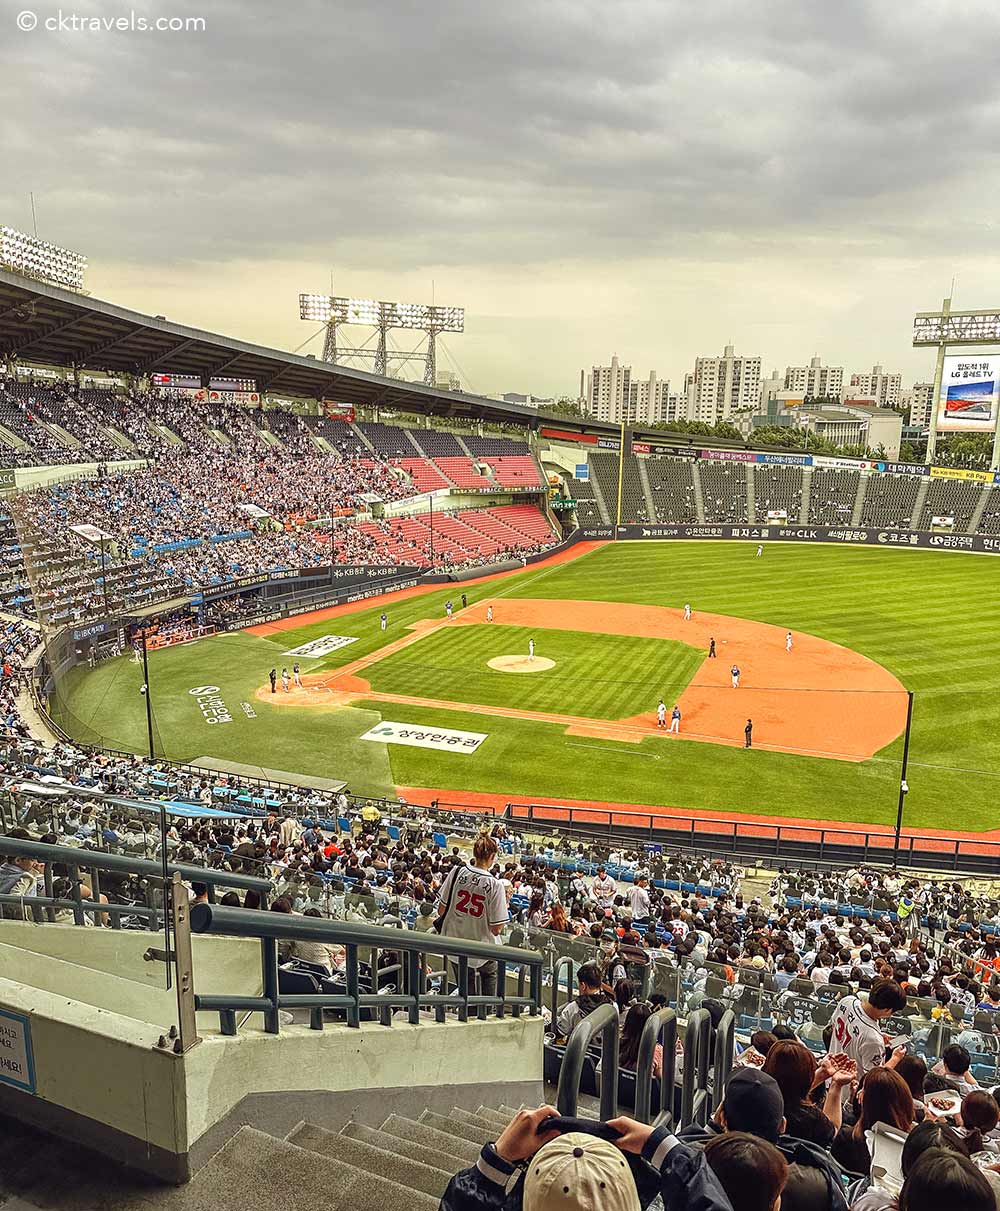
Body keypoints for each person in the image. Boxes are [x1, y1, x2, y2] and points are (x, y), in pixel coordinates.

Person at [435, 832, 508, 999]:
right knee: (489, 984)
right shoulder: (495, 885)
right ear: (492, 856)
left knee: (466, 996)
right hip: (483, 948)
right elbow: (496, 929)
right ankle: (487, 1016)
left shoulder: (456, 872)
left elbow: (441, 910)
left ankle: (467, 1018)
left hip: (456, 943)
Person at [762, 1041, 855, 1147]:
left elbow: (789, 1091)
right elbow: (832, 1130)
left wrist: (823, 1073)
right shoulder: (808, 1118)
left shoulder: (760, 1095)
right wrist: (836, 1085)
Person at [831, 1066, 914, 1176]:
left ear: (865, 1100)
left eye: (863, 1089)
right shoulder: (912, 1149)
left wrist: (836, 1086)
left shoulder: (846, 1140)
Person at [828, 978, 907, 1079]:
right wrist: (895, 1058)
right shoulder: (873, 1039)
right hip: (847, 1088)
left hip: (830, 1072)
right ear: (887, 1010)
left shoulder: (847, 1000)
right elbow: (874, 1079)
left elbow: (835, 1027)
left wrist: (879, 1036)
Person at [556, 959, 615, 1039]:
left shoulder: (573, 1008)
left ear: (583, 986)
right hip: (603, 1050)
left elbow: (561, 1032)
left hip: (580, 1050)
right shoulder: (613, 1007)